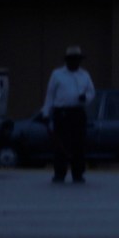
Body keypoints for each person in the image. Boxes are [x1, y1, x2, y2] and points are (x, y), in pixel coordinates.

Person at [42, 45, 95, 183]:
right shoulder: (57, 74)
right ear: (67, 61)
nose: (74, 62)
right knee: (61, 144)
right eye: (72, 60)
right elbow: (50, 95)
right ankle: (59, 173)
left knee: (79, 144)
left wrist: (86, 98)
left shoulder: (85, 75)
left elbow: (91, 92)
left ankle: (78, 173)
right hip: (62, 113)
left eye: (77, 60)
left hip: (78, 112)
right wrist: (46, 113)